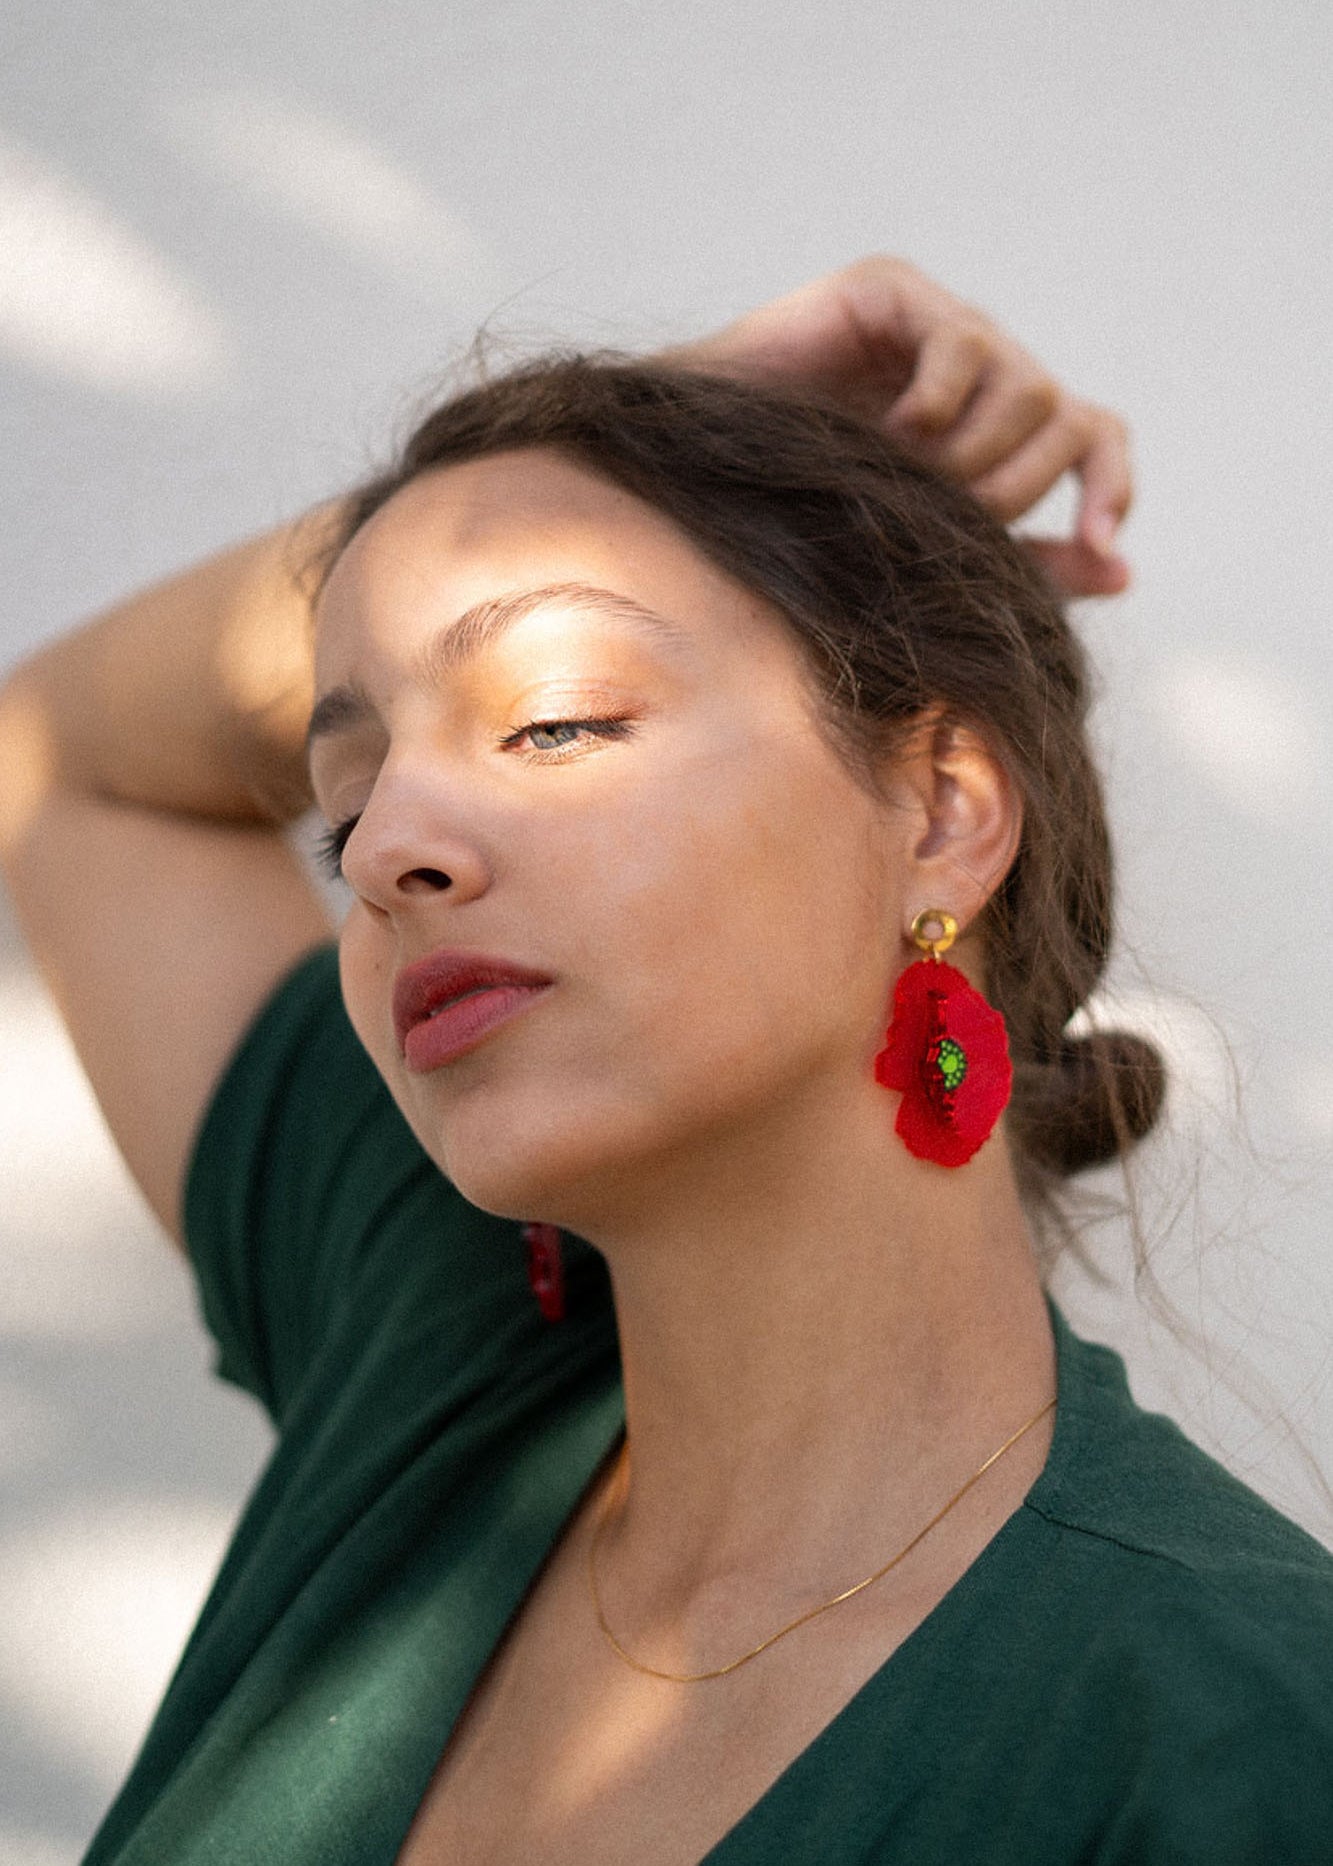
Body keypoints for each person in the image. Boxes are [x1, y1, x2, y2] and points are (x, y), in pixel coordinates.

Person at [0, 255, 1329, 1866]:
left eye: (553, 719)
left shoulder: (1242, 1736)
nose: (386, 847)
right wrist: (646, 423)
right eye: (345, 806)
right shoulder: (430, 1357)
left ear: (938, 812)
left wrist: (639, 455)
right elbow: (56, 756)